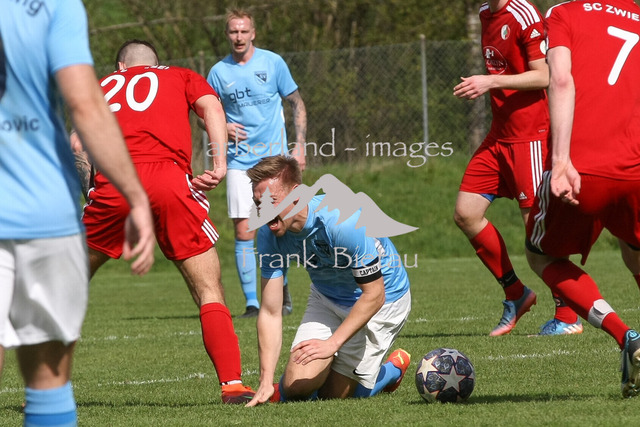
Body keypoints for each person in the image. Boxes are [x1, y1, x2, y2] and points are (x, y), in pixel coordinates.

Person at [0, 2, 155, 426]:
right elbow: (85, 106)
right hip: (40, 204)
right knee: (48, 380)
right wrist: (135, 196)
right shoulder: (55, 6)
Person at [75, 40, 254, 404]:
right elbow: (212, 108)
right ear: (157, 64)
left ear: (120, 67)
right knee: (208, 289)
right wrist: (219, 165)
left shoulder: (100, 85)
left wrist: (94, 192)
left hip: (114, 182)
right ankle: (232, 385)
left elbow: (77, 145)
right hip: (169, 182)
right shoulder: (180, 76)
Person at [525, 0, 640, 397]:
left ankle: (626, 336)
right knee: (634, 249)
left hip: (582, 167)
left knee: (542, 256)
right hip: (635, 167)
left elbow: (559, 80)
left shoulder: (564, 13)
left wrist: (560, 161)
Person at [452, 0, 582, 336]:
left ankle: (568, 315)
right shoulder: (485, 13)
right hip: (499, 137)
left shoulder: (524, 13)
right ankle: (516, 293)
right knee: (466, 213)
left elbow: (545, 75)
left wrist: (490, 82)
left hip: (530, 137)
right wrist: (490, 83)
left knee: (537, 229)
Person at [244, 155, 411, 406]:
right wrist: (266, 380)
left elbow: (375, 294)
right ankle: (331, 372)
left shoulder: (342, 221)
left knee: (335, 396)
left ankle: (391, 370)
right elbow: (270, 311)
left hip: (383, 301)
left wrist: (332, 344)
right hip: (326, 297)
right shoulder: (269, 234)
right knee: (295, 387)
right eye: (258, 203)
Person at [207, 8, 307, 318]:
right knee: (244, 231)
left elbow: (297, 103)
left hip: (274, 161)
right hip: (239, 162)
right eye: (233, 31)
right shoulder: (218, 72)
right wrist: (221, 127)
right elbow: (204, 114)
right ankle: (253, 303)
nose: (238, 36)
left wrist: (300, 145)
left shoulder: (273, 63)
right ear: (227, 35)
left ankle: (282, 290)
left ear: (253, 33)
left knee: (278, 227)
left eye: (243, 31)